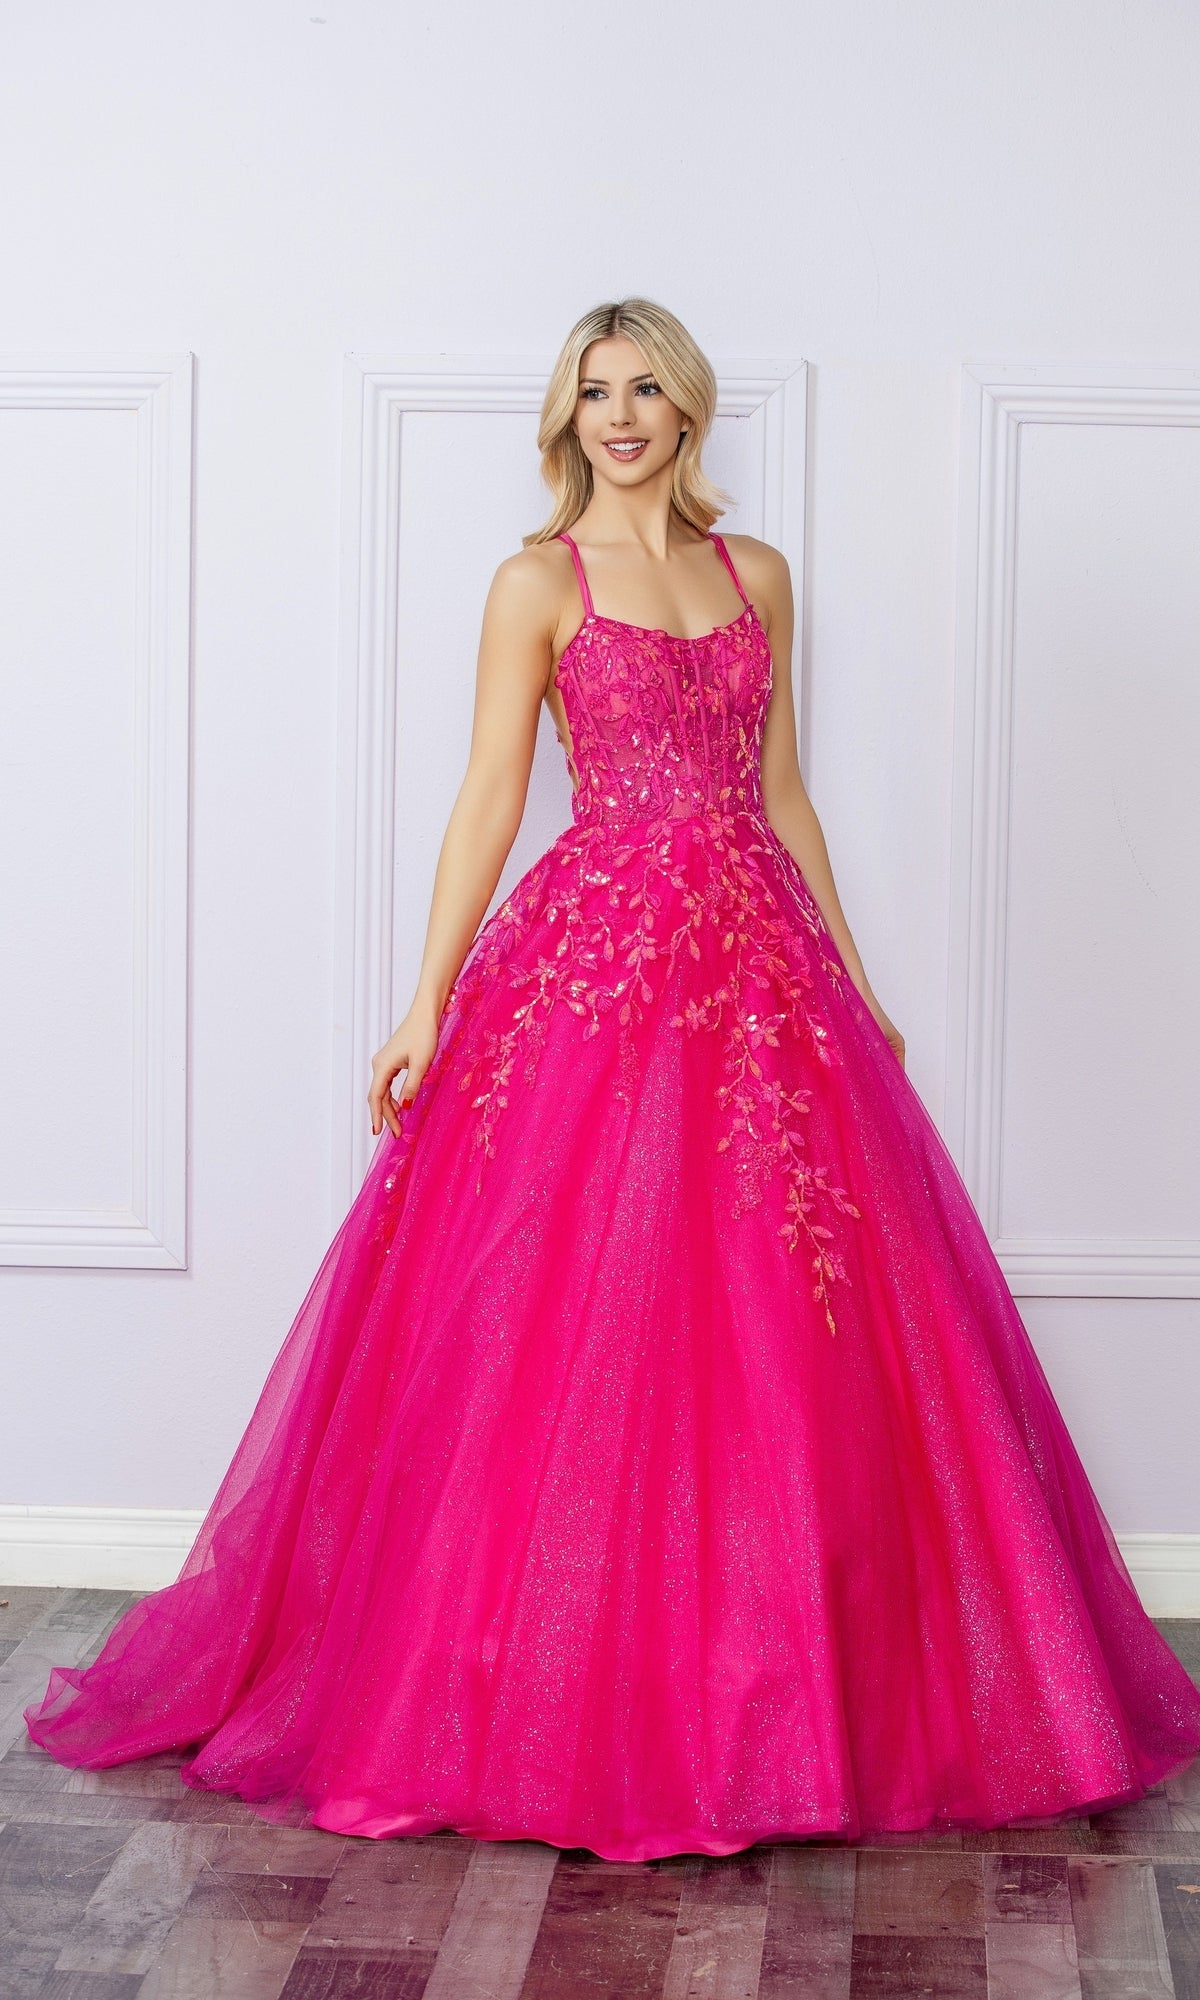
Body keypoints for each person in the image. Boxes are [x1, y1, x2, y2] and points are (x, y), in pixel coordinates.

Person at [24, 298, 1200, 1864]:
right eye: (595, 393)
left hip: (766, 978)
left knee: (788, 1327)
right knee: (575, 1326)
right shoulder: (536, 582)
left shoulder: (756, 574)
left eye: (646, 387)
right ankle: (553, 1692)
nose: (623, 414)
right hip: (594, 976)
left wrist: (853, 974)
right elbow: (488, 799)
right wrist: (425, 1002)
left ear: (688, 406)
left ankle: (777, 1701)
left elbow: (788, 796)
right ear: (566, 418)